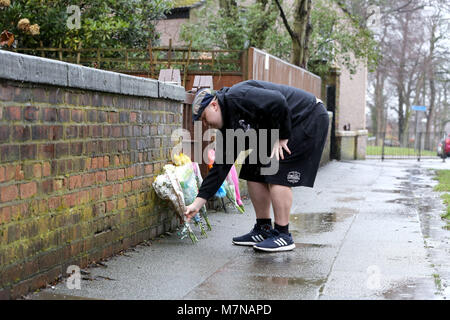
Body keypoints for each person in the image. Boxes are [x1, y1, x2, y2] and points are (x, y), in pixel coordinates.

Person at [184, 80, 329, 252]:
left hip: (307, 116)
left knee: (276, 169)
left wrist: (282, 136)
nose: (206, 125)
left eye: (204, 119)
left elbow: (278, 101)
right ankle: (264, 229)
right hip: (281, 124)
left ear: (214, 105)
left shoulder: (238, 96)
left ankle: (283, 234)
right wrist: (197, 204)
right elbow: (220, 168)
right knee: (253, 168)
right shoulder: (228, 128)